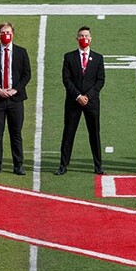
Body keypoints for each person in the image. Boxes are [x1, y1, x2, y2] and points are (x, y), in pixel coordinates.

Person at [0, 22, 31, 175]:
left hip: (15, 99)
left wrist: (15, 90)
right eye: (2, 32)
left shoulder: (21, 52)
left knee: (16, 134)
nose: (6, 35)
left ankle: (18, 165)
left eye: (8, 32)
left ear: (13, 33)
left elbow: (26, 74)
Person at [55, 26, 105, 176]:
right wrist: (78, 96)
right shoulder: (69, 57)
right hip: (73, 102)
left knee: (94, 133)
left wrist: (87, 96)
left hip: (91, 102)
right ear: (76, 39)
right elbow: (66, 79)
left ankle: (98, 165)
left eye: (86, 36)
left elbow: (100, 81)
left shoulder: (97, 58)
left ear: (91, 38)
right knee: (69, 133)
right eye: (81, 36)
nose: (84, 38)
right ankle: (63, 165)